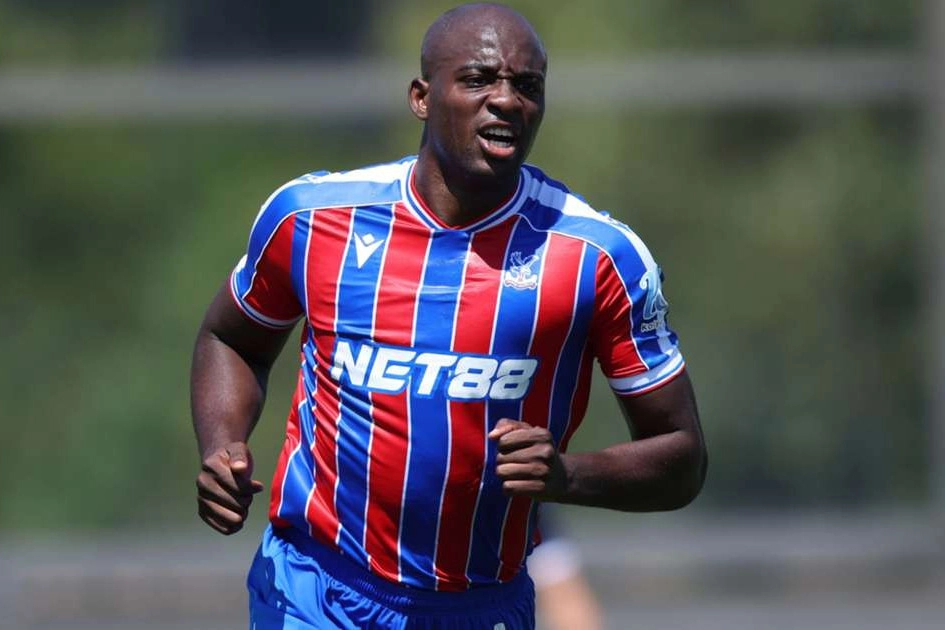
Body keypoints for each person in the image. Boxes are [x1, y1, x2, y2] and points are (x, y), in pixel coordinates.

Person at [190, 3, 707, 628]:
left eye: (527, 86)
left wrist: (568, 476)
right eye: (478, 79)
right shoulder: (313, 219)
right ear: (421, 97)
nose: (506, 100)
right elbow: (233, 338)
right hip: (316, 586)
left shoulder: (598, 257)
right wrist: (223, 446)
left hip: (481, 604)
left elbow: (681, 457)